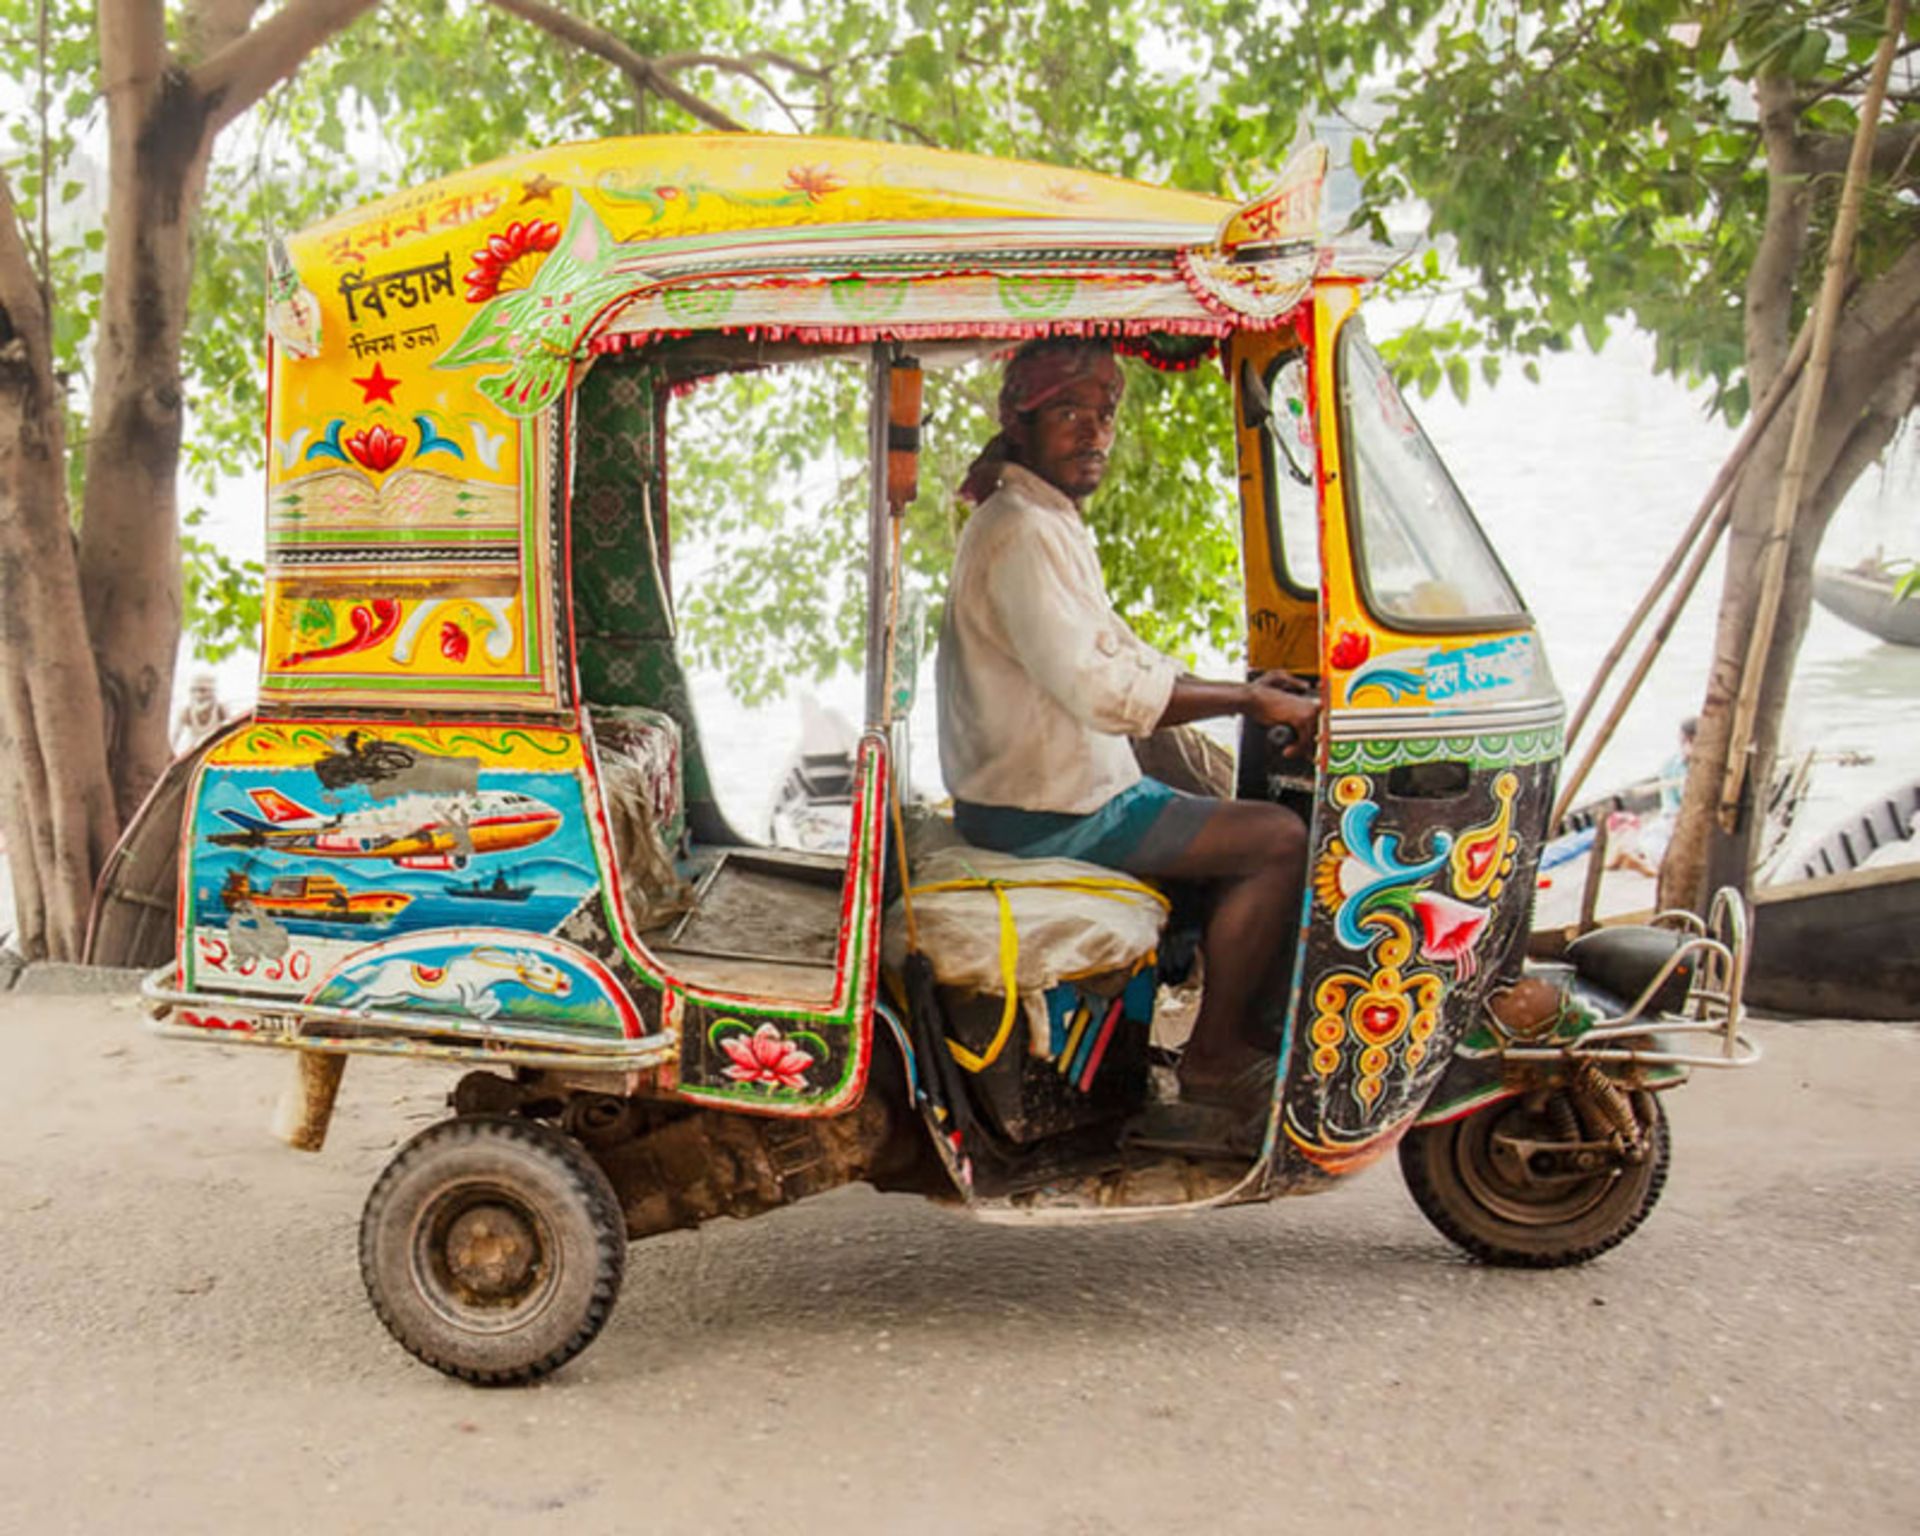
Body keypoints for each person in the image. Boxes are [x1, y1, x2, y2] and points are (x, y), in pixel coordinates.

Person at [936, 336, 1319, 1147]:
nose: (1095, 432)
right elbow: (1101, 690)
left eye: (1105, 413)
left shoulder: (1043, 518)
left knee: (1220, 811)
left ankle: (1229, 1027)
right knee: (1280, 840)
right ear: (1020, 422)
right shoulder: (1021, 530)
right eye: (1069, 412)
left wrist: (1245, 691)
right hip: (1047, 811)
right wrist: (1245, 701)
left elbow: (1119, 652)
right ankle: (1215, 1057)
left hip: (1051, 793)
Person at [171, 673, 232, 754]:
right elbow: (175, 736)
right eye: (194, 690)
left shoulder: (221, 708)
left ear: (211, 692)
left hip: (215, 751)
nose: (198, 694)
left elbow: (231, 732)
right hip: (194, 752)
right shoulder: (186, 711)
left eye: (202, 690)